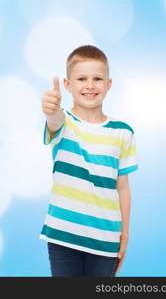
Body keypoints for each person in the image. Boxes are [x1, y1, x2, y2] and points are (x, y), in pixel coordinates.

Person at [40, 45, 138, 277]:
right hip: (63, 237)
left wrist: (124, 234)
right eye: (82, 78)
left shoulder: (123, 132)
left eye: (97, 78)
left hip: (106, 239)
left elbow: (123, 186)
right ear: (68, 85)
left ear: (108, 84)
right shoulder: (64, 123)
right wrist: (51, 109)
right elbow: (54, 119)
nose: (90, 85)